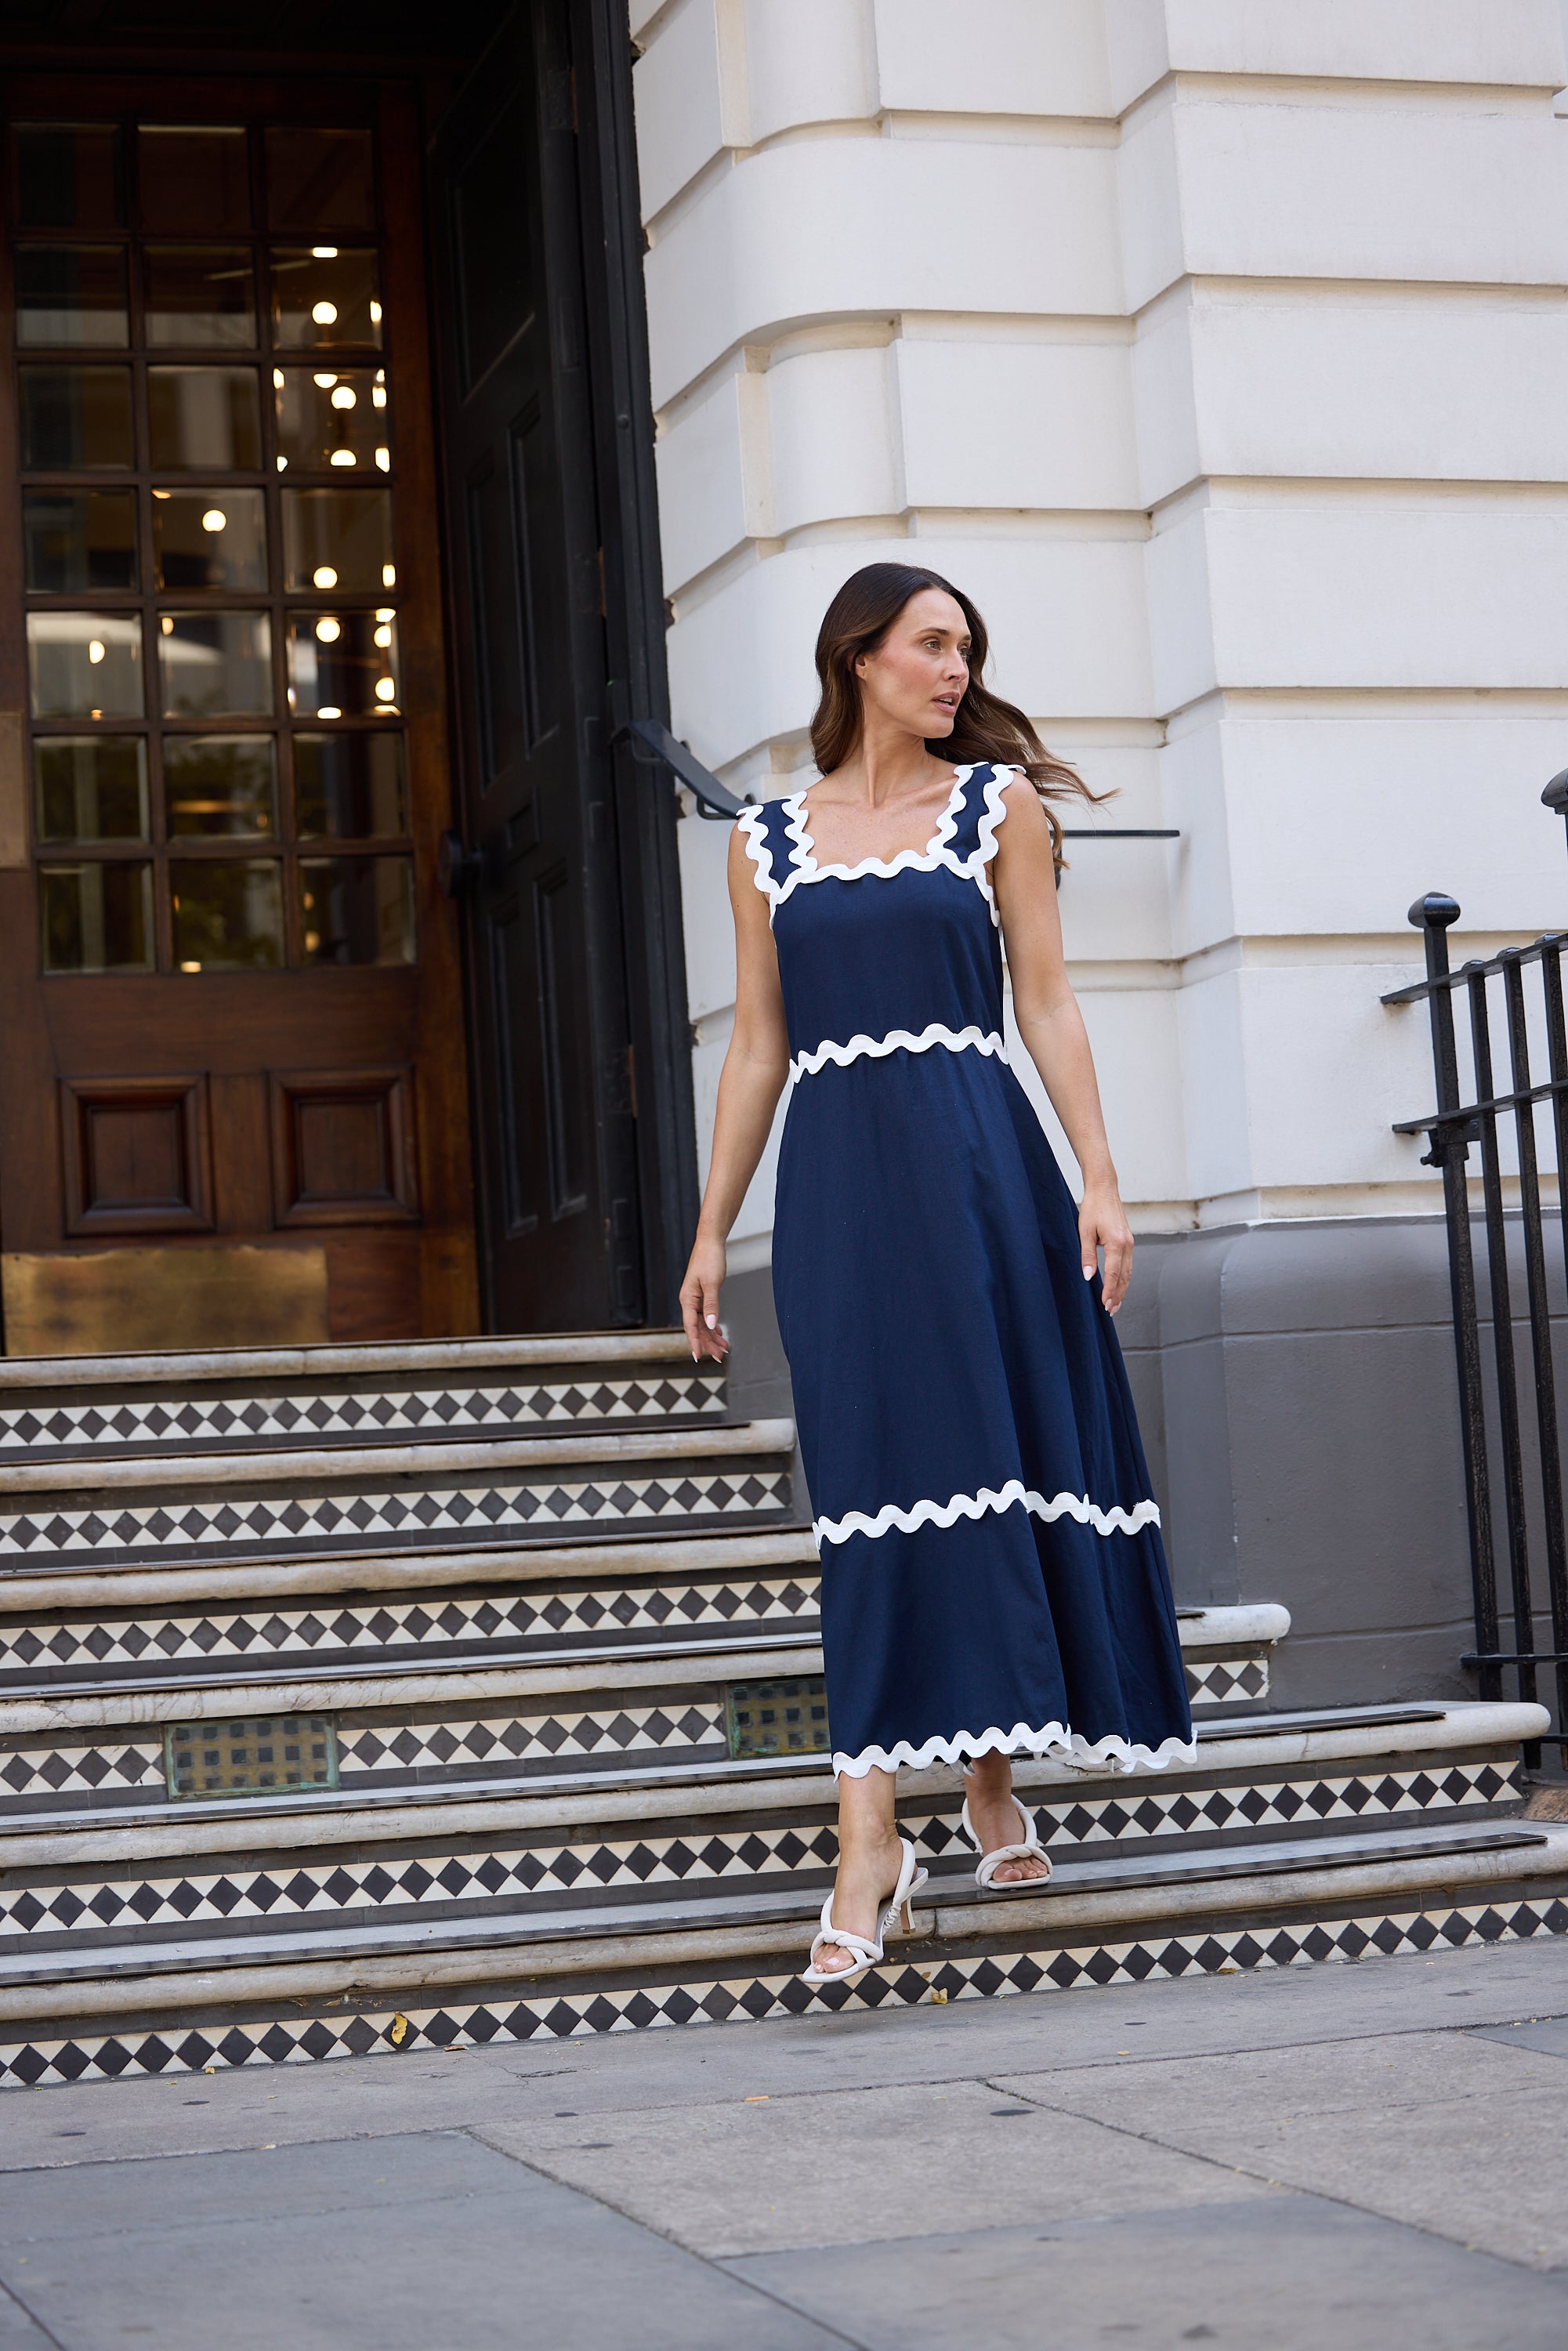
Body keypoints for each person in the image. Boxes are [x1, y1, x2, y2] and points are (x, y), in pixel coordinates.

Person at [680, 562, 1194, 1984]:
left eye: (966, 648)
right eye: (930, 645)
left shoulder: (994, 810)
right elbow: (756, 1048)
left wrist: (1098, 1176)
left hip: (981, 1174)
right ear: (858, 658)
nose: (955, 669)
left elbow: (1045, 999)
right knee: (876, 1485)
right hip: (843, 1192)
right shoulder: (764, 841)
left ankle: (937, 1806)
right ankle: (891, 1826)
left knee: (977, 1455)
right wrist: (713, 1227)